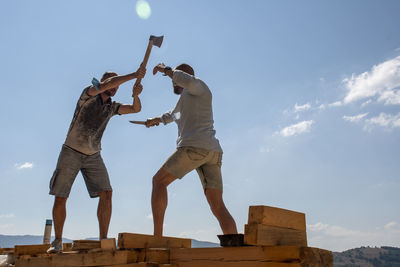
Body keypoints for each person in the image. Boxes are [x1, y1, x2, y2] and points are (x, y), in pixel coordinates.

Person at [47, 65, 146, 253]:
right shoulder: (89, 94)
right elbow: (107, 84)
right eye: (112, 82)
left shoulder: (112, 107)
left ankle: (103, 239)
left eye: (117, 85)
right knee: (61, 195)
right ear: (103, 82)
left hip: (93, 155)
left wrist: (135, 94)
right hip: (71, 150)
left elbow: (135, 109)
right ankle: (57, 241)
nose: (115, 87)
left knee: (107, 193)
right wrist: (134, 75)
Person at [146, 63, 238, 237]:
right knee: (218, 206)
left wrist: (166, 71)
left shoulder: (199, 87)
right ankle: (235, 248)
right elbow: (174, 116)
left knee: (158, 182)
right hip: (212, 153)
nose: (173, 83)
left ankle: (156, 238)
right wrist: (155, 120)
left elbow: (184, 79)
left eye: (175, 80)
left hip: (194, 148)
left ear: (184, 76)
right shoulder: (188, 99)